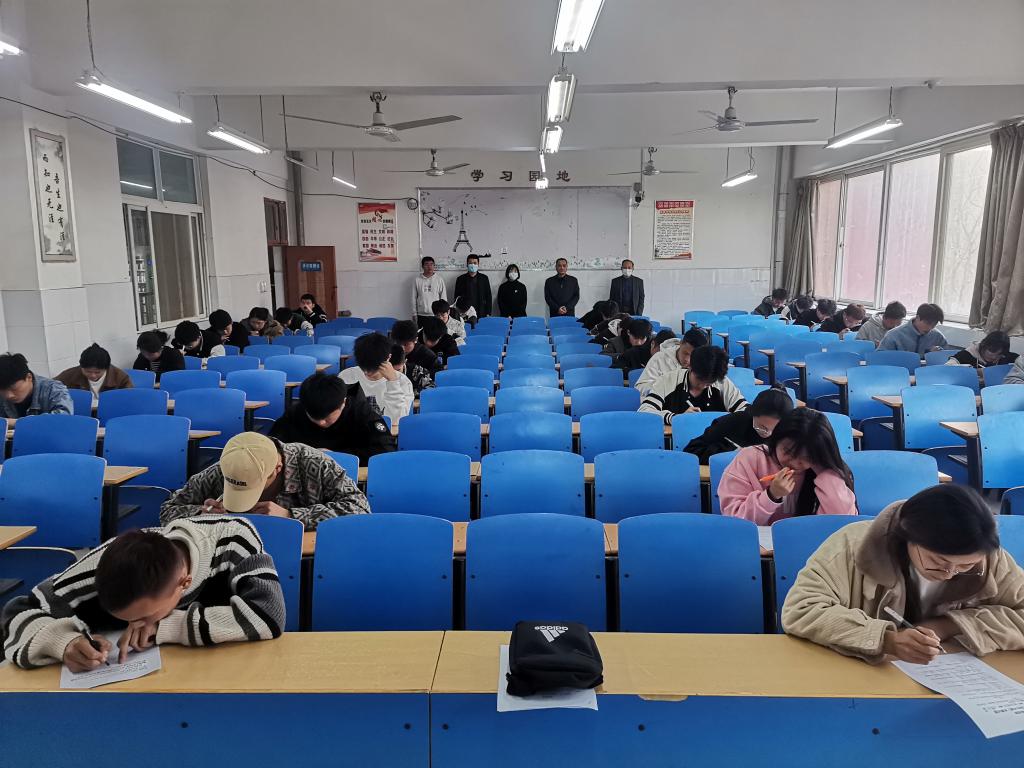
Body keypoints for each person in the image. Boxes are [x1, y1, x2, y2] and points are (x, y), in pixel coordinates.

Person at [0, 516, 284, 671]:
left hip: (228, 676)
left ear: (184, 583)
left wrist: (165, 626)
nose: (134, 626)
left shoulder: (234, 540)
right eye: (124, 619)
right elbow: (19, 611)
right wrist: (63, 642)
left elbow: (268, 614)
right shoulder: (96, 568)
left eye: (145, 616)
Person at [782, 484, 1024, 664]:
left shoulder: (988, 557)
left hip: (953, 678)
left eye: (965, 566)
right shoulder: (851, 546)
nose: (950, 573)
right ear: (907, 534)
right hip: (863, 678)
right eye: (938, 561)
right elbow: (801, 609)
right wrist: (886, 640)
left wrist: (949, 625)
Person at [160, 431, 369, 530]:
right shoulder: (227, 467)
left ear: (277, 468)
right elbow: (167, 510)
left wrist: (290, 515)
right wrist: (201, 513)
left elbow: (360, 508)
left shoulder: (314, 463)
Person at [719, 408, 857, 525]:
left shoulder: (825, 473)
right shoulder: (749, 459)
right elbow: (735, 522)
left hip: (807, 545)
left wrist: (825, 472)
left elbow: (841, 524)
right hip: (756, 545)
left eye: (807, 457)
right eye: (788, 452)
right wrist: (771, 495)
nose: (795, 463)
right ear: (776, 439)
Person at [270, 372, 396, 463]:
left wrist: (338, 456)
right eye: (314, 417)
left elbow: (386, 450)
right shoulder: (295, 413)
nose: (321, 423)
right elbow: (272, 446)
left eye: (327, 418)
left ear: (343, 403)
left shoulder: (362, 413)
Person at [684, 387, 795, 464]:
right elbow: (692, 451)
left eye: (775, 430)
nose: (768, 434)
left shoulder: (789, 432)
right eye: (762, 428)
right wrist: (730, 454)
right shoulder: (732, 423)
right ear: (752, 414)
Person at [639, 344, 747, 424]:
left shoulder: (721, 382)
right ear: (690, 366)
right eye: (699, 379)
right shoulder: (668, 380)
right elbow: (645, 410)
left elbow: (746, 410)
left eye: (709, 383)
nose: (703, 386)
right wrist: (676, 418)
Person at [339, 332, 414, 426]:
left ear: (388, 358)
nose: (367, 372)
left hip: (387, 432)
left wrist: (393, 383)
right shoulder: (346, 377)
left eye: (374, 367)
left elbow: (398, 420)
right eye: (363, 367)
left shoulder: (403, 382)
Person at [0, 353, 74, 424]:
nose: (9, 395)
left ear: (29, 377)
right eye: (3, 390)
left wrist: (15, 423)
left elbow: (63, 419)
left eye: (14, 388)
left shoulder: (53, 389)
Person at [634, 328, 709, 395]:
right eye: (685, 353)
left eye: (693, 356)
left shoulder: (702, 365)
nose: (687, 359)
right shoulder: (659, 358)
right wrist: (665, 387)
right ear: (680, 343)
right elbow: (640, 387)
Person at [55, 344, 133, 405]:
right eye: (88, 372)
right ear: (81, 367)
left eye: (97, 372)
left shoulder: (121, 378)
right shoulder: (69, 375)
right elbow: (51, 388)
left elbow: (129, 400)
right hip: (81, 414)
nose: (93, 375)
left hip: (110, 413)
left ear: (106, 368)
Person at [879, 303, 947, 353]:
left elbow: (948, 361)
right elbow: (881, 358)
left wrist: (935, 355)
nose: (930, 328)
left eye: (934, 324)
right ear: (917, 318)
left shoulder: (938, 337)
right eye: (927, 323)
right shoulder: (893, 336)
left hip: (927, 369)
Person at [391, 319, 440, 384]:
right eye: (398, 343)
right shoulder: (390, 352)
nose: (402, 348)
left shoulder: (429, 357)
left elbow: (436, 380)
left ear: (416, 340)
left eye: (405, 344)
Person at [453, 254, 491, 322]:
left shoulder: (484, 278)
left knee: (480, 328)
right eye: (470, 263)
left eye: (475, 263)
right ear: (467, 264)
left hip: (481, 311)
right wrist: (458, 312)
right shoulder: (460, 279)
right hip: (465, 312)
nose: (472, 265)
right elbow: (456, 297)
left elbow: (488, 296)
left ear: (478, 264)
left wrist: (488, 312)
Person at [948, 331, 1018, 368]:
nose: (994, 357)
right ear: (984, 345)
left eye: (999, 354)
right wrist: (977, 372)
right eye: (992, 351)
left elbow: (1020, 361)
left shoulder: (1006, 356)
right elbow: (947, 367)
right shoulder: (967, 354)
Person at [412, 256, 447, 327]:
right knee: (422, 333)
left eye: (431, 264)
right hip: (421, 314)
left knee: (436, 333)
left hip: (437, 314)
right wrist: (414, 313)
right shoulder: (417, 280)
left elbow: (443, 297)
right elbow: (413, 298)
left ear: (434, 266)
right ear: (422, 266)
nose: (429, 267)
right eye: (426, 264)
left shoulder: (439, 279)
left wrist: (444, 313)